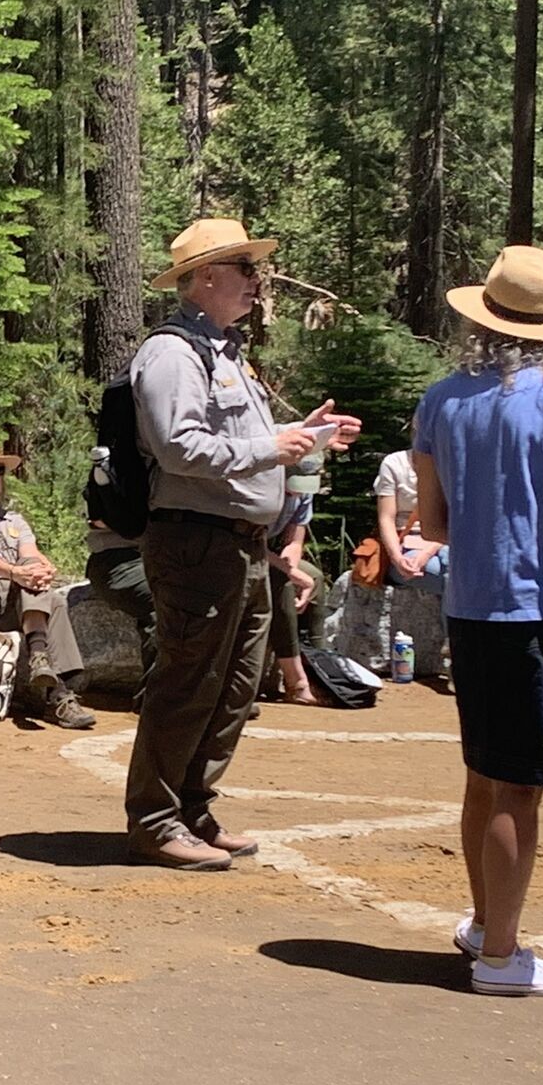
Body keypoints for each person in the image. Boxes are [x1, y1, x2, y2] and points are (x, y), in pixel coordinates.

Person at [123, 218, 361, 870]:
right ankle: (154, 819)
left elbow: (236, 443)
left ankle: (192, 810)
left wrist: (302, 434)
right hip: (197, 544)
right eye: (247, 270)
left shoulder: (225, 352)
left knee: (234, 685)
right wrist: (270, 446)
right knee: (190, 680)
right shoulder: (173, 353)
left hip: (238, 545)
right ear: (206, 278)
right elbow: (178, 447)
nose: (260, 282)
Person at [415, 244, 543, 997]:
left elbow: (431, 519)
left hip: (471, 603)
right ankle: (501, 954)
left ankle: (482, 922)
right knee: (521, 789)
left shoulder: (441, 399)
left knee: (482, 775)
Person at [0, 440, 97, 730]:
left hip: (13, 600)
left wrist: (41, 569)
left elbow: (31, 555)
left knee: (52, 596)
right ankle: (56, 685)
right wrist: (18, 573)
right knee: (48, 595)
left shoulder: (14, 519)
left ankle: (44, 667)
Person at [265, 456, 328, 705]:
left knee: (316, 577)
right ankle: (295, 681)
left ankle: (318, 665)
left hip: (274, 552)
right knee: (281, 581)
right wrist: (288, 571)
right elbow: (249, 539)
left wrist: (293, 568)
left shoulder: (304, 492)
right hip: (243, 549)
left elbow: (294, 540)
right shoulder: (262, 487)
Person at [83, 520, 156, 701]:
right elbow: (100, 520)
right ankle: (154, 702)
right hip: (119, 560)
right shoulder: (112, 490)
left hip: (163, 559)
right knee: (170, 605)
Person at [374, 431, 448, 594]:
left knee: (457, 569)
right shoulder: (394, 463)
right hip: (406, 544)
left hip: (443, 542)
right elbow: (386, 518)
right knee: (450, 578)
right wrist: (397, 558)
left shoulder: (453, 465)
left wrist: (427, 552)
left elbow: (454, 521)